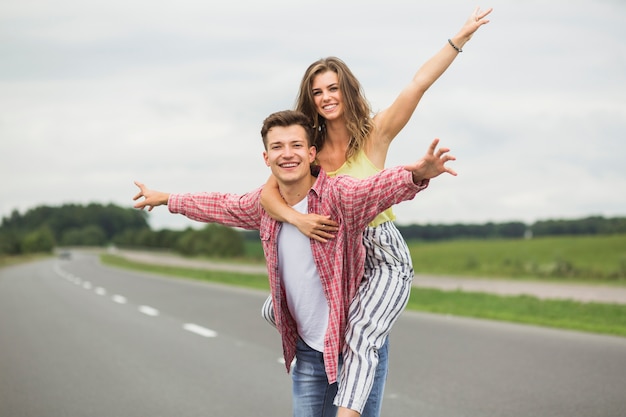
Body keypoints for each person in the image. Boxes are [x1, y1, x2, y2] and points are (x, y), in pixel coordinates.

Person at [133, 110, 457, 417]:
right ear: (266, 157)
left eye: (296, 145)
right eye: (277, 147)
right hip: (308, 353)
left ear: (312, 153)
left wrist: (416, 174)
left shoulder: (339, 196)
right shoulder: (263, 206)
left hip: (349, 345)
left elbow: (375, 188)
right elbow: (220, 204)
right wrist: (166, 199)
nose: (287, 154)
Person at [258, 7, 492, 417]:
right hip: (331, 249)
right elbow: (266, 195)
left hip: (377, 247)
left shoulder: (375, 133)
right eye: (318, 92)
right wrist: (296, 219)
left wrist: (459, 39)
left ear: (346, 91)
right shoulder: (307, 153)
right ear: (310, 100)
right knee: (277, 308)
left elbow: (418, 84)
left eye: (333, 88)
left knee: (362, 335)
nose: (327, 97)